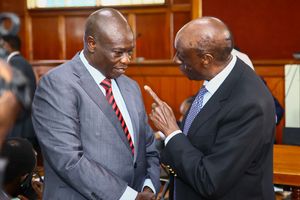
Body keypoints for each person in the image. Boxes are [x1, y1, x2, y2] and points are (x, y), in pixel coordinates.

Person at [32, 8, 160, 200]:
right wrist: (128, 196)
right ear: (92, 43)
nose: (127, 60)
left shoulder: (130, 86)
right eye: (118, 52)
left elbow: (148, 146)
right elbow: (68, 160)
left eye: (129, 52)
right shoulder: (57, 84)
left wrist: (150, 185)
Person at [144, 17, 276, 199]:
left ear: (206, 59)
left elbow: (210, 181)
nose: (175, 60)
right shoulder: (221, 77)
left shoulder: (248, 104)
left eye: (181, 55)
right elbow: (200, 138)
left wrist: (171, 131)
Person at [0, 35, 37, 149]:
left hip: (20, 129)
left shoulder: (16, 63)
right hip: (20, 128)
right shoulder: (18, 62)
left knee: (17, 164)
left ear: (6, 46)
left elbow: (15, 97)